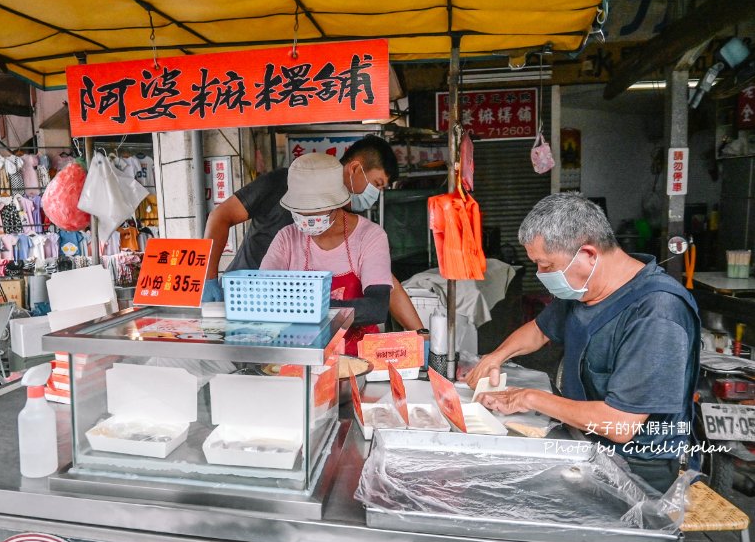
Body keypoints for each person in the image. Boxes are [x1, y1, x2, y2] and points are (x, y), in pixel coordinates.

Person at [465, 193, 699, 493]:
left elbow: (622, 424)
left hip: (634, 470)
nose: (541, 275)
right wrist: (495, 357)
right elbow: (539, 330)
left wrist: (528, 398)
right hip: (582, 441)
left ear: (588, 253)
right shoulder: (584, 289)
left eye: (547, 265)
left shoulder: (657, 312)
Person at [203, 135, 426, 335]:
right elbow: (220, 217)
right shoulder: (284, 221)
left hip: (327, 333)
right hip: (253, 303)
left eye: (316, 207)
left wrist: (419, 332)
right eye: (376, 184)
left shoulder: (364, 231)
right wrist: (209, 279)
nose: (307, 215)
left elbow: (381, 284)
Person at [260, 153, 392, 355]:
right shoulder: (286, 239)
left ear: (337, 203)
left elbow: (376, 307)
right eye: (300, 211)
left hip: (357, 357)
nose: (306, 218)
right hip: (300, 355)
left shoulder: (370, 236)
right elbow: (263, 298)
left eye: (315, 211)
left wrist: (306, 309)